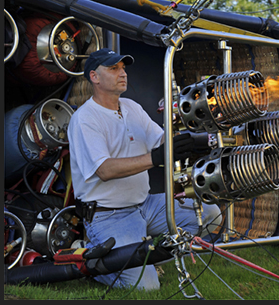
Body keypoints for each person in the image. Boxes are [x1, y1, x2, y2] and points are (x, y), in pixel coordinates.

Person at [68, 48, 221, 290]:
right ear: (94, 77)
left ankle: (149, 258)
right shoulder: (85, 119)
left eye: (123, 68)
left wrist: (187, 141)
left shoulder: (131, 107)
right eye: (113, 68)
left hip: (145, 205)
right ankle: (92, 262)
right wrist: (157, 157)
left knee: (211, 214)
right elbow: (105, 170)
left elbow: (161, 142)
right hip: (108, 216)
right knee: (147, 288)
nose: (123, 73)